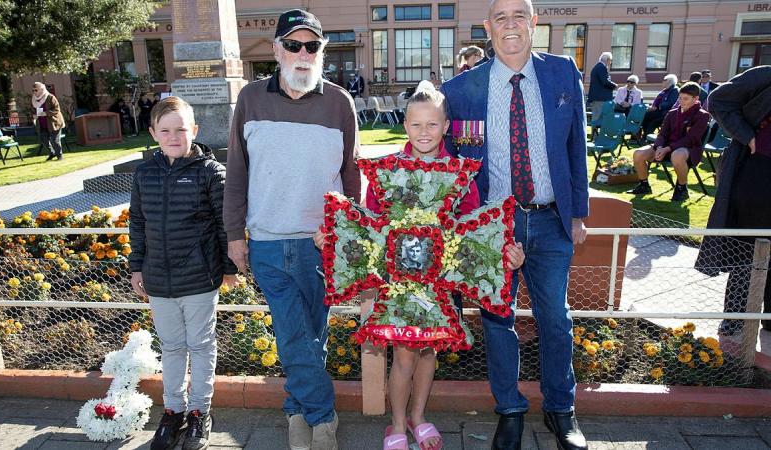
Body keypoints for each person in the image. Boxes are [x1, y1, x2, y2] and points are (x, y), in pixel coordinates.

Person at [316, 83, 524, 450]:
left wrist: (507, 253)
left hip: (439, 286)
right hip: (399, 287)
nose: (423, 132)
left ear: (446, 126)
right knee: (404, 355)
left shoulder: (462, 172)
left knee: (429, 351)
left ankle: (418, 416)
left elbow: (477, 227)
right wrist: (333, 238)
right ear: (405, 125)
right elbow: (369, 225)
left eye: (432, 124)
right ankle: (396, 423)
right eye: (415, 124)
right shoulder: (387, 172)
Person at [441, 0, 590, 448]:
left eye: (519, 15)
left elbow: (576, 148)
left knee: (555, 320)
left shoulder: (563, 73)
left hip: (550, 221)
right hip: (493, 228)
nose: (510, 25)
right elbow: (452, 164)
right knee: (496, 319)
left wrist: (578, 213)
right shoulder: (462, 88)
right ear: (488, 27)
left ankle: (561, 411)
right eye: (500, 17)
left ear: (534, 22)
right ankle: (509, 410)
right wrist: (466, 227)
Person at [223, 9, 360, 450]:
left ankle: (296, 410)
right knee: (292, 332)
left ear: (321, 51)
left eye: (313, 46)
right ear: (278, 49)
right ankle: (323, 417)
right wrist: (235, 235)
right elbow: (237, 172)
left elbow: (352, 175)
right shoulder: (250, 99)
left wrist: (350, 235)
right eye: (294, 45)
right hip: (266, 242)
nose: (304, 54)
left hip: (320, 244)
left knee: (311, 334)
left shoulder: (340, 103)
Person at [129, 96, 238, 450]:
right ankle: (173, 411)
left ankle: (198, 414)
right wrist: (136, 266)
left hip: (199, 278)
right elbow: (137, 221)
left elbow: (225, 225)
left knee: (201, 346)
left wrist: (229, 268)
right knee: (173, 347)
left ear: (194, 130)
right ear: (153, 133)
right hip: (158, 279)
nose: (173, 136)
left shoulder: (210, 172)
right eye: (165, 130)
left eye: (181, 129)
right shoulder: (145, 172)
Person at [695, 65, 771, 335]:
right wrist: (748, 136)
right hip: (759, 173)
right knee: (748, 245)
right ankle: (735, 315)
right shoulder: (765, 76)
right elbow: (717, 100)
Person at [627, 82, 711, 202]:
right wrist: (660, 146)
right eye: (680, 98)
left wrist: (668, 148)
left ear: (696, 99)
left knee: (677, 155)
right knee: (638, 153)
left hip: (689, 149)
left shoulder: (702, 115)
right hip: (666, 147)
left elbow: (690, 139)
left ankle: (682, 188)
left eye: (686, 99)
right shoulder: (672, 113)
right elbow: (662, 133)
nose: (682, 101)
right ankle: (644, 185)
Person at [32, 82, 65, 161]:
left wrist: (46, 113)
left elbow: (57, 110)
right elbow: (33, 110)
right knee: (44, 139)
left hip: (54, 123)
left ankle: (59, 156)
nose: (34, 92)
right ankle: (52, 153)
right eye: (33, 90)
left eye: (36, 90)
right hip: (42, 124)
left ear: (42, 90)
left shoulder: (50, 97)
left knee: (55, 141)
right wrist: (34, 115)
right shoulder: (34, 99)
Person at [640, 74, 679, 138]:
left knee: (653, 121)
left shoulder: (675, 90)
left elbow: (671, 103)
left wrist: (657, 107)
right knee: (645, 116)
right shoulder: (665, 90)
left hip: (665, 113)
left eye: (664, 80)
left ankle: (646, 137)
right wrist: (652, 107)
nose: (662, 81)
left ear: (670, 81)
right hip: (658, 111)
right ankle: (644, 136)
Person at [587, 52, 618, 122]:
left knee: (597, 117)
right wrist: (614, 85)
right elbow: (604, 81)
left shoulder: (598, 67)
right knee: (597, 118)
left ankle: (596, 132)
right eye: (610, 60)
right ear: (607, 60)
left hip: (598, 97)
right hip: (600, 98)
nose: (610, 63)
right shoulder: (601, 67)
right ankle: (595, 133)